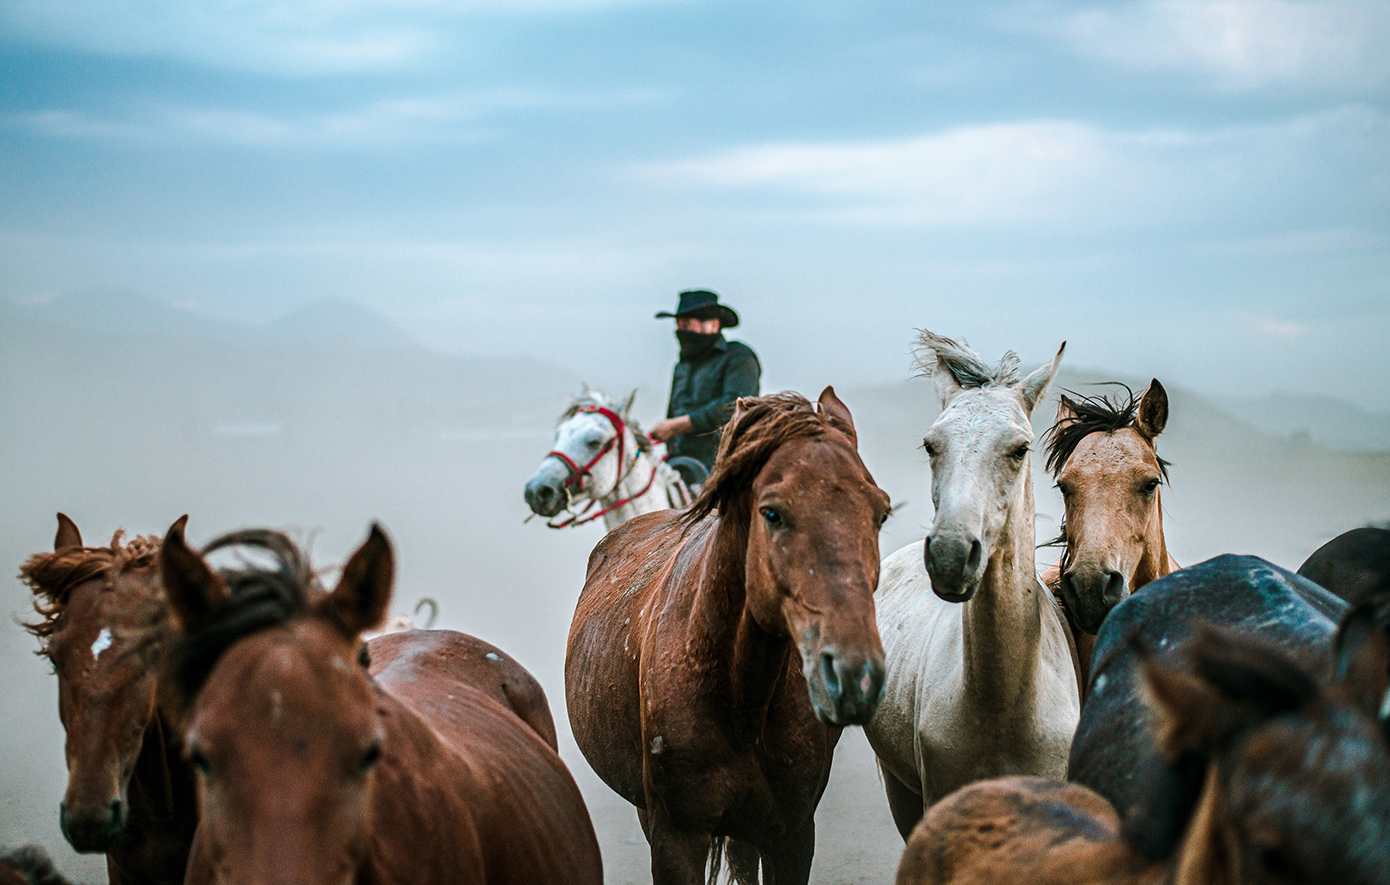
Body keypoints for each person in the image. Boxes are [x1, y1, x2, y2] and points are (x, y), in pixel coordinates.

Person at [649, 290, 761, 482]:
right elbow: (673, 412)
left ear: (713, 325)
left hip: (725, 467)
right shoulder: (682, 367)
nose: (680, 331)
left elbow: (734, 406)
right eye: (678, 325)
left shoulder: (739, 357)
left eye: (686, 324)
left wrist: (676, 426)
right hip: (678, 465)